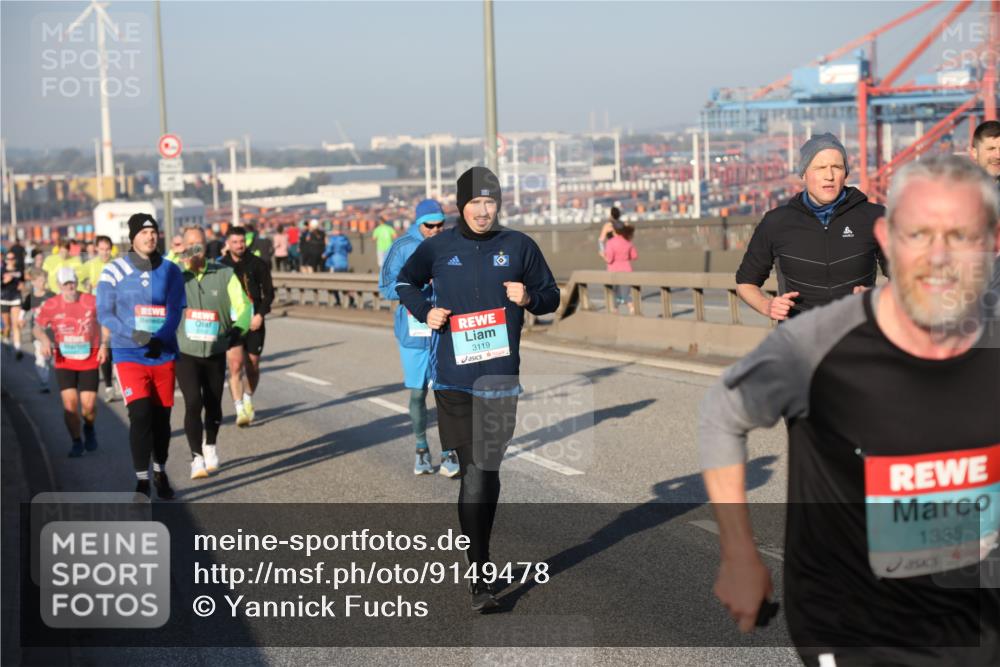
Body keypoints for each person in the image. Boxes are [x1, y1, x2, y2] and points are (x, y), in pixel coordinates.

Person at [700, 155, 1000, 666]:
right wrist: (738, 553)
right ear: (886, 238)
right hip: (854, 625)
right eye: (918, 234)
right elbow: (722, 411)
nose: (939, 257)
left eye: (961, 236)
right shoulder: (818, 343)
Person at [396, 167, 560, 612]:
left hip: (499, 378)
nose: (483, 211)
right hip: (453, 378)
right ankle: (480, 574)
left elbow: (551, 296)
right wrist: (426, 311)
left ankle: (480, 559)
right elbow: (405, 283)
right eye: (475, 203)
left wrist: (529, 298)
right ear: (461, 206)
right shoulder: (438, 247)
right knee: (473, 472)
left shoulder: (519, 246)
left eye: (490, 202)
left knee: (487, 472)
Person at [736, 133, 887, 321]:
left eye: (837, 167)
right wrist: (766, 306)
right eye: (820, 168)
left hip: (860, 333)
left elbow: (908, 279)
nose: (829, 176)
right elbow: (745, 283)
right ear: (804, 174)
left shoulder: (875, 217)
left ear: (845, 173)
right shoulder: (777, 222)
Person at [96, 213, 186, 499]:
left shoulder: (170, 270)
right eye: (144, 232)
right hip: (128, 353)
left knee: (161, 420)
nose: (150, 237)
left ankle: (160, 471)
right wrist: (133, 334)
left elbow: (175, 310)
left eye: (153, 232)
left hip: (163, 353)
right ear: (132, 236)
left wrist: (160, 338)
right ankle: (142, 480)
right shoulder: (113, 270)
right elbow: (104, 313)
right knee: (141, 414)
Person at [378, 198, 459, 478]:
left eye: (440, 225)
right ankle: (421, 448)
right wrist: (422, 282)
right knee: (418, 393)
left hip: (445, 328)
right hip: (414, 332)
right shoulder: (402, 247)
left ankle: (449, 451)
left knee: (447, 392)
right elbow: (386, 288)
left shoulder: (452, 243)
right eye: (429, 226)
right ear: (418, 223)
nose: (435, 230)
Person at [175, 226, 251, 480]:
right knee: (192, 403)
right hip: (186, 351)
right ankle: (196, 458)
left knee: (213, 403)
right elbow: (155, 283)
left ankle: (210, 445)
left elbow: (244, 307)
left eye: (199, 244)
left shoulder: (224, 273)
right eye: (189, 245)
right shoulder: (176, 276)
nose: (194, 249)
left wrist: (238, 330)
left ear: (206, 246)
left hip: (215, 349)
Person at [33, 267, 104, 457]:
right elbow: (37, 328)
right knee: (70, 406)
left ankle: (89, 426)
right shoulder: (51, 304)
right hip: (64, 361)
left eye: (72, 283)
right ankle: (76, 441)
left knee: (88, 407)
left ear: (77, 283)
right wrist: (45, 340)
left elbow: (107, 322)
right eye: (65, 284)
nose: (70, 287)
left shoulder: (91, 301)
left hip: (89, 359)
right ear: (59, 286)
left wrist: (104, 344)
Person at [221, 226, 274, 427]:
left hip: (254, 322)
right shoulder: (221, 266)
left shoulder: (258, 264)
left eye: (242, 241)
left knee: (252, 365)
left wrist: (260, 314)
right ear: (228, 243)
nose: (239, 245)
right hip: (232, 323)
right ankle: (239, 410)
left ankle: (248, 398)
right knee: (235, 365)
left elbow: (269, 293)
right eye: (235, 242)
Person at [77, 235, 118, 401]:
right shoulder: (90, 264)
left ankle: (120, 380)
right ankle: (109, 386)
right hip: (98, 311)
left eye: (107, 249)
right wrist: (86, 290)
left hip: (117, 310)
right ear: (96, 249)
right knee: (104, 347)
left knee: (118, 346)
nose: (105, 252)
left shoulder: (118, 264)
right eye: (101, 249)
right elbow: (76, 280)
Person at [22, 267, 55, 392]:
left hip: (51, 332)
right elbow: (23, 310)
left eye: (44, 280)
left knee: (48, 358)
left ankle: (45, 376)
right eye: (40, 281)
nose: (43, 283)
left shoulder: (51, 295)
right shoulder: (31, 297)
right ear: (33, 282)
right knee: (40, 358)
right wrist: (21, 319)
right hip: (36, 332)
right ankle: (44, 382)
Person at [603, 220, 638, 315]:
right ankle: (632, 310)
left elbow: (609, 260)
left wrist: (603, 255)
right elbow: (634, 256)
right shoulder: (627, 241)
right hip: (626, 270)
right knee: (626, 294)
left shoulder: (610, 243)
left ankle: (615, 314)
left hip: (613, 272)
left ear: (614, 230)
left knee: (614, 295)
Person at [2, 250, 24, 359]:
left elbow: (23, 283)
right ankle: (6, 339)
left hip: (16, 298)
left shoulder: (19, 270)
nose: (11, 261)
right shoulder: (2, 270)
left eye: (12, 258)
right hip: (4, 299)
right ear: (6, 260)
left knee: (16, 324)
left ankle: (17, 348)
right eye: (9, 259)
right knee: (7, 325)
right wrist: (4, 282)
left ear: (15, 260)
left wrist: (22, 287)